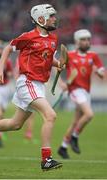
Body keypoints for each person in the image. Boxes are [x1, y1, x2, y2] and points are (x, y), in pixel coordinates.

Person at [0, 4, 65, 171]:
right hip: (27, 82)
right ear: (40, 19)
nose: (54, 19)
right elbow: (8, 48)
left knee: (15, 124)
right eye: (51, 16)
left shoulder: (53, 39)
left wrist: (58, 64)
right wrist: (0, 69)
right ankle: (46, 159)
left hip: (38, 85)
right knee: (50, 115)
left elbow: (47, 59)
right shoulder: (28, 37)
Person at [57, 29, 105, 159]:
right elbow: (57, 69)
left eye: (88, 39)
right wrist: (61, 83)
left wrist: (99, 72)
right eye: (83, 40)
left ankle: (63, 147)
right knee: (89, 114)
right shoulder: (70, 55)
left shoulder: (93, 56)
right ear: (77, 42)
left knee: (75, 122)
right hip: (75, 90)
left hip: (86, 91)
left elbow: (101, 71)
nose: (87, 42)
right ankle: (74, 137)